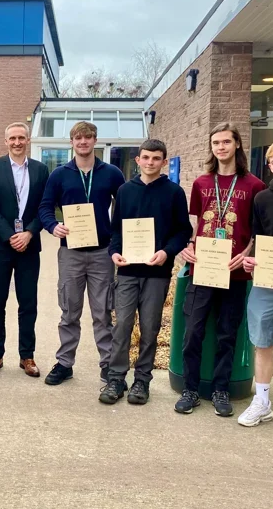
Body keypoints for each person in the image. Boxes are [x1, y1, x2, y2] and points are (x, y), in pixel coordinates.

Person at [175, 123, 265, 417]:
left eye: (226, 141)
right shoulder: (202, 183)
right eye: (216, 142)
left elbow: (257, 230)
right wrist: (188, 246)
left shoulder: (254, 186)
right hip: (203, 269)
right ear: (211, 147)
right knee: (193, 332)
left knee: (227, 333)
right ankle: (190, 389)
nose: (221, 147)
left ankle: (221, 390)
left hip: (235, 272)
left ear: (237, 144)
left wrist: (247, 253)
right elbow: (195, 222)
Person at [99, 139, 192, 405]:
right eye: (146, 157)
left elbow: (183, 230)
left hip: (157, 272)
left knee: (150, 329)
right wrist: (113, 252)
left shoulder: (174, 192)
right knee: (122, 326)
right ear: (137, 160)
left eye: (156, 158)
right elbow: (116, 229)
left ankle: (142, 380)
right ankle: (116, 378)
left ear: (164, 162)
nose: (150, 162)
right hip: (127, 271)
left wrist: (167, 252)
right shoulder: (125, 190)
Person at [39, 121, 125, 385]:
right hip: (71, 253)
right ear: (72, 142)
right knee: (69, 311)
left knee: (102, 312)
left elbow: (123, 209)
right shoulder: (60, 174)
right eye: (78, 138)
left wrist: (117, 242)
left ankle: (108, 364)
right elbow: (45, 207)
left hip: (101, 253)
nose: (83, 142)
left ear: (95, 140)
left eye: (88, 137)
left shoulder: (111, 173)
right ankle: (65, 363)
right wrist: (54, 226)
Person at [0, 122, 49, 378]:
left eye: (22, 138)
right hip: (0, 246)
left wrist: (29, 233)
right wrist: (11, 236)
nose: (17, 142)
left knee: (28, 302)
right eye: (13, 138)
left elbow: (46, 206)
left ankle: (27, 356)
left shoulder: (42, 170)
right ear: (5, 141)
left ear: (28, 140)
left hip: (30, 246)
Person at [238, 141, 273, 427]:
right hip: (266, 281)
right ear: (269, 167)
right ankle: (262, 402)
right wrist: (250, 261)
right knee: (262, 342)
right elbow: (257, 241)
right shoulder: (262, 199)